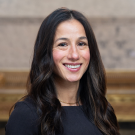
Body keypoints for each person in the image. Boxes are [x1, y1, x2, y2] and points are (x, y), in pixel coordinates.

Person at [5, 7, 120, 135]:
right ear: (45, 53)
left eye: (81, 43)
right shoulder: (26, 115)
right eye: (63, 44)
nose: (74, 55)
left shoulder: (102, 111)